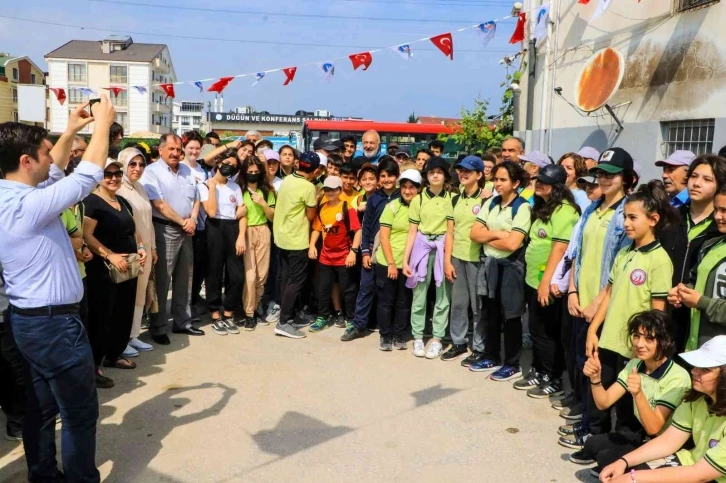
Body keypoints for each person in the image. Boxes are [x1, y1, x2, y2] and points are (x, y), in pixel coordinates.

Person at [0, 96, 116, 483]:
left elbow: (58, 171)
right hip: (51, 324)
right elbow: (85, 176)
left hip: (31, 320)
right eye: (45, 153)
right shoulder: (26, 207)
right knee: (80, 411)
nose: (52, 158)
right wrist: (103, 125)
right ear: (25, 161)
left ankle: (43, 474)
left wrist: (69, 130)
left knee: (42, 407)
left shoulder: (14, 196)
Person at [574, 182, 675, 462]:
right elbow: (608, 293)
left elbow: (658, 314)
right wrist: (593, 329)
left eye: (633, 218)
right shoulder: (624, 253)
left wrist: (647, 349)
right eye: (625, 217)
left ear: (653, 220)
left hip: (634, 349)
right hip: (609, 340)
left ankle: (620, 456)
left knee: (629, 411)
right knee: (601, 396)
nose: (626, 223)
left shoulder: (659, 260)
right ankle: (597, 443)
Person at [564, 148, 636, 455]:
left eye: (611, 174)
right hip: (581, 302)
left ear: (628, 179)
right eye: (601, 173)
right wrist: (572, 290)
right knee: (583, 363)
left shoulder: (626, 214)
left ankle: (596, 433)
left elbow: (620, 266)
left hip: (604, 306)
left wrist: (598, 302)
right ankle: (588, 420)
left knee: (601, 369)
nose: (604, 179)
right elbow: (578, 253)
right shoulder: (593, 208)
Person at [598, 335, 726, 483]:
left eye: (705, 369)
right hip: (692, 462)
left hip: (712, 476)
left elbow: (701, 474)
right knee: (618, 466)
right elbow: (668, 441)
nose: (694, 371)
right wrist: (623, 462)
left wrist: (633, 478)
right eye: (696, 366)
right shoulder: (698, 399)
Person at [578, 310, 691, 477]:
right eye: (637, 336)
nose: (639, 344)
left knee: (606, 457)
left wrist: (638, 394)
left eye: (649, 339)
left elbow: (654, 428)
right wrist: (595, 379)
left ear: (665, 341)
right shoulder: (636, 364)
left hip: (666, 443)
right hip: (643, 437)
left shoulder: (678, 377)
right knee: (592, 445)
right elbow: (604, 402)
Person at [519, 164, 581, 397]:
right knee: (537, 328)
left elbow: (560, 248)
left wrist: (545, 283)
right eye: (537, 179)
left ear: (557, 186)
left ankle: (552, 376)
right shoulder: (544, 207)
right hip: (533, 278)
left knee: (547, 331)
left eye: (545, 181)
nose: (539, 183)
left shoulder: (565, 211)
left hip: (548, 282)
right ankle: (538, 368)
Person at [84, 158, 147, 379]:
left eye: (117, 174)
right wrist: (109, 255)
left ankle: (114, 353)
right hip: (103, 269)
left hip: (128, 266)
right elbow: (86, 235)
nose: (113, 178)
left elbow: (133, 230)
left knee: (123, 311)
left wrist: (140, 248)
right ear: (99, 178)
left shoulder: (123, 201)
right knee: (102, 315)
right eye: (108, 174)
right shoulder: (91, 202)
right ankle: (93, 364)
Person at [140, 133, 204, 345]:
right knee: (162, 279)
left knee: (185, 277)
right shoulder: (151, 172)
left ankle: (182, 321)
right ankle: (157, 326)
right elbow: (159, 204)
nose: (176, 153)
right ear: (161, 150)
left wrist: (193, 219)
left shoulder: (187, 170)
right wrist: (181, 221)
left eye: (179, 149)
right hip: (164, 230)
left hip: (187, 230)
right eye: (172, 149)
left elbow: (196, 198)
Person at [469, 161, 531, 376]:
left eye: (503, 179)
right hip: (490, 266)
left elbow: (513, 244)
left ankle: (512, 363)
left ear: (515, 183)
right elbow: (474, 234)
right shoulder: (491, 203)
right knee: (490, 313)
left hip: (511, 267)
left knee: (511, 316)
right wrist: (499, 234)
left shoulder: (522, 207)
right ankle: (491, 356)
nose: (498, 183)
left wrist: (488, 238)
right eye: (495, 179)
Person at [670, 155, 725, 351]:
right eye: (694, 176)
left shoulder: (717, 231)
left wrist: (699, 301)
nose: (697, 183)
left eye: (707, 179)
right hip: (668, 315)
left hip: (705, 328)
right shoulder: (670, 219)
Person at [342, 158, 401, 342]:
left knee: (391, 293)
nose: (386, 179)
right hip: (373, 252)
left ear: (397, 176)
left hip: (393, 252)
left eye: (390, 175)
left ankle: (393, 330)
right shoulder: (375, 199)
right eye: (382, 175)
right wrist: (365, 252)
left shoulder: (403, 197)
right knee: (366, 288)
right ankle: (359, 325)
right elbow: (366, 228)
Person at [403, 156, 454, 359]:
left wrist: (448, 258)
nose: (435, 175)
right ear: (426, 175)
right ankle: (417, 336)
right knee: (419, 294)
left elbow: (451, 231)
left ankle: (437, 339)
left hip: (442, 247)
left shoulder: (451, 199)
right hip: (421, 248)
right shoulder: (419, 199)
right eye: (432, 172)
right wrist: (405, 260)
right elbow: (412, 231)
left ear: (445, 176)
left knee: (443, 294)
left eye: (439, 172)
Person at [197, 150, 246, 335]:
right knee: (214, 273)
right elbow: (210, 212)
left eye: (234, 166)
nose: (229, 167)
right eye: (226, 162)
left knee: (236, 275)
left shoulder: (235, 187)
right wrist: (212, 187)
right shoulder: (205, 185)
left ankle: (228, 312)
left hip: (232, 228)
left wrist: (241, 236)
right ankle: (215, 313)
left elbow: (242, 213)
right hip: (214, 228)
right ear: (218, 162)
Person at [441, 156, 485, 362]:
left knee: (478, 306)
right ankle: (458, 342)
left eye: (468, 170)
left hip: (477, 259)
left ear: (479, 174)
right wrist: (447, 260)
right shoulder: (455, 199)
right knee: (458, 303)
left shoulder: (486, 200)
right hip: (457, 257)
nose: (463, 174)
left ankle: (479, 347)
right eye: (460, 170)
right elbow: (450, 232)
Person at [272, 152, 320, 339]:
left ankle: (288, 316)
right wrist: (316, 200)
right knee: (296, 281)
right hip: (296, 239)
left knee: (286, 278)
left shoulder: (287, 180)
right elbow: (310, 215)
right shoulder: (308, 187)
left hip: (282, 236)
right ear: (315, 171)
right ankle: (284, 322)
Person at [308, 176, 362, 332]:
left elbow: (358, 231)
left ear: (339, 190)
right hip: (326, 256)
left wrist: (353, 252)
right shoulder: (322, 208)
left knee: (348, 289)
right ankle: (322, 317)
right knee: (323, 288)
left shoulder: (347, 208)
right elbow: (317, 229)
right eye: (327, 189)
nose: (330, 192)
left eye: (333, 189)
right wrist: (312, 245)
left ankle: (351, 319)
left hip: (344, 256)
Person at [117, 147, 156, 357]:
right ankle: (121, 340)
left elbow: (148, 221)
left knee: (140, 293)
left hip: (146, 250)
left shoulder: (140, 188)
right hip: (129, 250)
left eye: (141, 164)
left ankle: (132, 335)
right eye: (132, 164)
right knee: (127, 295)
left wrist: (153, 247)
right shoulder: (118, 187)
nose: (137, 168)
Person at [376, 169, 422, 350]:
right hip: (389, 262)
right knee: (386, 301)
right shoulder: (392, 207)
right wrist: (391, 263)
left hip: (410, 263)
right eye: (404, 187)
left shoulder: (421, 207)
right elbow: (384, 237)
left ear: (419, 189)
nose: (408, 191)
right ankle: (385, 335)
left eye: (412, 187)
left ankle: (399, 334)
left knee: (403, 301)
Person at [239, 155, 275, 330]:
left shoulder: (267, 191)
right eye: (249, 171)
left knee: (262, 275)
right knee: (250, 275)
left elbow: (272, 217)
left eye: (256, 171)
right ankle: (249, 313)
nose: (253, 173)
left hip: (263, 230)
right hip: (246, 231)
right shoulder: (239, 190)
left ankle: (255, 305)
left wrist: (263, 204)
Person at [182, 131, 209, 316]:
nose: (194, 151)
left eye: (197, 148)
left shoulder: (202, 169)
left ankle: (192, 301)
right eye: (190, 147)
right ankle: (183, 306)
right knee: (185, 269)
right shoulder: (180, 168)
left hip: (202, 224)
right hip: (184, 224)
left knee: (199, 265)